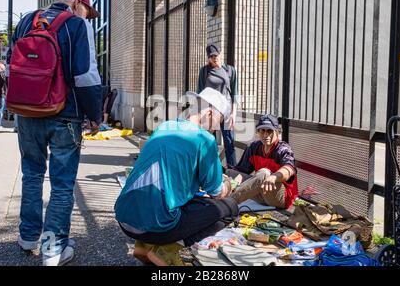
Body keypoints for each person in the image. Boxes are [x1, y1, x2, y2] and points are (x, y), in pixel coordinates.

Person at [7, 0, 102, 266]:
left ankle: (28, 236)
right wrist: (94, 115)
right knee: (61, 184)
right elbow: (85, 75)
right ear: (75, 3)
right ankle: (53, 248)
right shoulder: (77, 24)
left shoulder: (27, 20)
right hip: (65, 113)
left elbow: (12, 63)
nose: (89, 17)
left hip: (27, 111)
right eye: (87, 10)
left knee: (32, 174)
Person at [115, 87, 239, 266]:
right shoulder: (205, 140)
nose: (216, 129)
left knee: (164, 198)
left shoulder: (165, 126)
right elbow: (216, 192)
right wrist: (228, 184)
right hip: (158, 225)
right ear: (210, 113)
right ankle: (165, 252)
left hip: (125, 218)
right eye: (218, 122)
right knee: (229, 208)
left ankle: (143, 248)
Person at [228, 114, 299, 210]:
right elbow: (241, 171)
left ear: (277, 132)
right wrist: (227, 180)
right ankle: (218, 194)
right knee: (230, 173)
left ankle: (228, 203)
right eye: (262, 131)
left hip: (280, 198)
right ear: (258, 132)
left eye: (269, 131)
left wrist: (274, 177)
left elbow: (289, 170)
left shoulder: (283, 149)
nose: (266, 135)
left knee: (264, 173)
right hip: (261, 193)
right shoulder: (253, 147)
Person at [198, 44, 239, 168]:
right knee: (210, 142)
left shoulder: (230, 70)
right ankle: (212, 170)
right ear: (208, 58)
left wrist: (234, 114)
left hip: (225, 111)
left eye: (216, 55)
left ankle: (232, 170)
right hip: (210, 111)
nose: (214, 58)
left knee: (229, 142)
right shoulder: (204, 71)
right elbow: (200, 92)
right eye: (211, 57)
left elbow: (235, 93)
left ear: (220, 54)